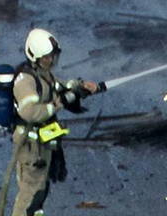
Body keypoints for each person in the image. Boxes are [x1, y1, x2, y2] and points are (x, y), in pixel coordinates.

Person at [7, 28, 103, 216]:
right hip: (30, 146)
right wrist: (58, 104)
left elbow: (59, 86)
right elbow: (30, 112)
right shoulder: (25, 81)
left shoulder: (43, 74)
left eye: (52, 56)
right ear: (34, 56)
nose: (50, 61)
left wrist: (80, 86)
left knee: (41, 191)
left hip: (42, 144)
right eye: (46, 58)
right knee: (30, 194)